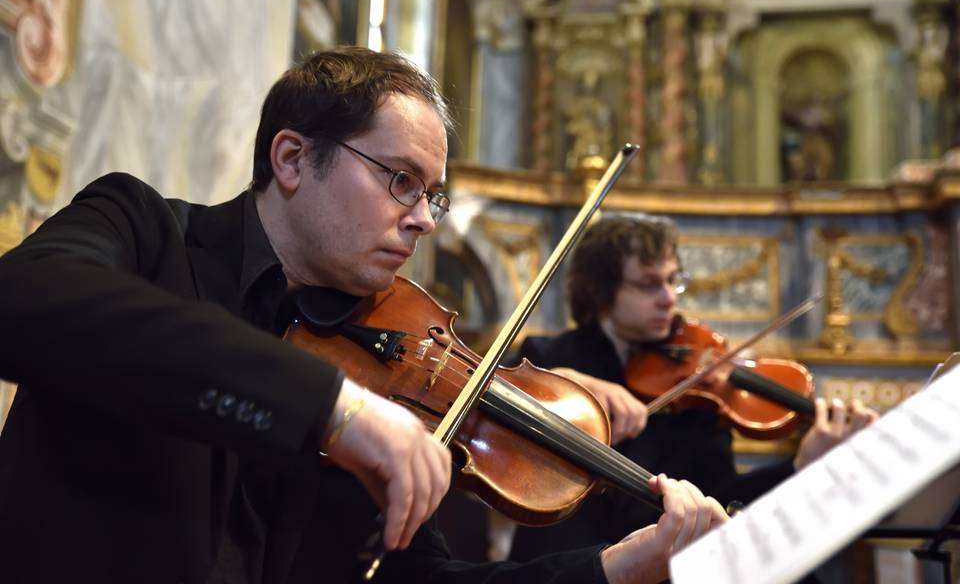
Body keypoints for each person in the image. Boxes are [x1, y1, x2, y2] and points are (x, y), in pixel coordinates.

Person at [0, 47, 725, 584]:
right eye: (400, 181)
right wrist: (330, 408)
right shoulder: (143, 230)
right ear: (292, 158)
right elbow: (25, 300)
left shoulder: (384, 365)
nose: (424, 221)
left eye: (432, 195)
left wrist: (620, 566)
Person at [509, 214, 878, 561]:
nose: (669, 298)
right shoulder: (549, 356)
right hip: (566, 559)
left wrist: (800, 465)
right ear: (601, 291)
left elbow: (723, 501)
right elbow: (496, 404)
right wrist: (573, 383)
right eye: (648, 285)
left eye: (672, 280)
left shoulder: (698, 391)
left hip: (661, 561)